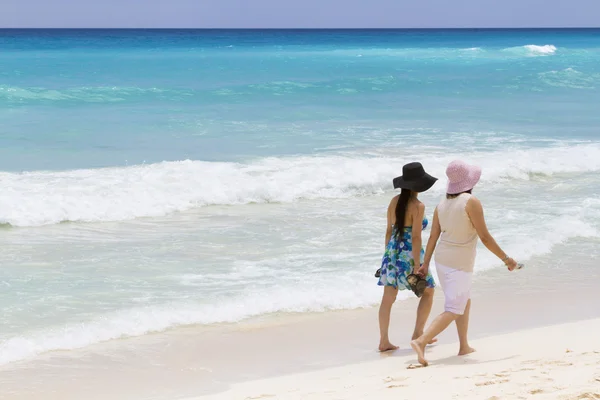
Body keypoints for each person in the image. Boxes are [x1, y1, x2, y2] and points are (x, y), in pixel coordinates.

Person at [410, 160, 519, 366]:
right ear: (469, 182)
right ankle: (421, 341)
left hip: (443, 259)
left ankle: (463, 346)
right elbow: (484, 236)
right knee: (454, 307)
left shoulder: (441, 205)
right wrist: (506, 259)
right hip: (459, 261)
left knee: (463, 300)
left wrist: (425, 264)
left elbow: (433, 237)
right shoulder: (471, 201)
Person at [377, 162, 438, 352]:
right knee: (428, 291)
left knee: (388, 299)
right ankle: (418, 334)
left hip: (392, 253)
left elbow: (389, 230)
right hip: (409, 253)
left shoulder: (394, 201)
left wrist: (386, 258)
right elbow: (416, 236)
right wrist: (418, 265)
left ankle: (383, 341)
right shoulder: (418, 206)